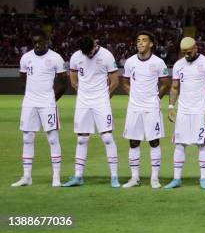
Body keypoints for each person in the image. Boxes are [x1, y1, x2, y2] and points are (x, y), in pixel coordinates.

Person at [62, 36, 120, 188]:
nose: (88, 55)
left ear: (95, 45)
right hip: (83, 102)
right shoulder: (76, 56)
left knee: (107, 137)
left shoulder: (106, 55)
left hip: (101, 100)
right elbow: (72, 76)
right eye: (85, 53)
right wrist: (81, 91)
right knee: (82, 139)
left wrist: (105, 97)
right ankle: (78, 176)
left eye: (90, 52)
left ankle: (114, 177)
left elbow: (115, 81)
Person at [12, 29, 67, 187]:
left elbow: (63, 84)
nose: (36, 44)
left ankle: (56, 177)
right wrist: (30, 96)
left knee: (52, 138)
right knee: (27, 138)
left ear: (46, 41)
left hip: (47, 103)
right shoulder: (26, 58)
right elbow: (23, 80)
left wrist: (51, 99)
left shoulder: (56, 58)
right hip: (29, 103)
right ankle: (27, 176)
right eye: (34, 42)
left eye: (39, 41)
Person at [164, 37, 205, 190]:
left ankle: (203, 179)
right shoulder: (178, 65)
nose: (186, 55)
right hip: (183, 110)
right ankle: (176, 179)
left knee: (202, 144)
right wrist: (170, 106)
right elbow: (174, 87)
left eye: (189, 52)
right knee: (179, 144)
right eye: (184, 53)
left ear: (195, 48)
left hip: (201, 110)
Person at [121, 31, 171, 189]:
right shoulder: (130, 62)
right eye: (138, 40)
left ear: (151, 44)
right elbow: (125, 82)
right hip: (134, 107)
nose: (140, 43)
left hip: (151, 107)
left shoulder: (158, 62)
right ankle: (134, 178)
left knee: (154, 141)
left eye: (144, 41)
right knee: (133, 142)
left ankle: (154, 178)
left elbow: (165, 83)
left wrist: (157, 98)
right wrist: (133, 96)